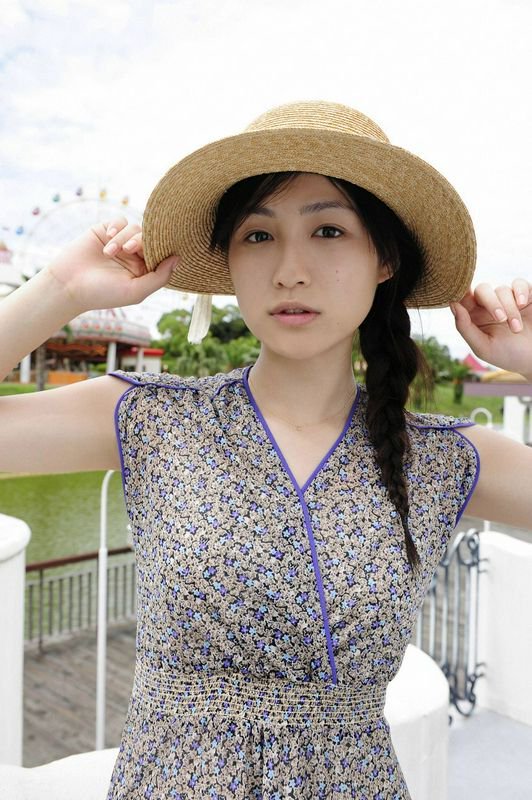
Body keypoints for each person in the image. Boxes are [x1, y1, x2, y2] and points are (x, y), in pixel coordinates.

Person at [1, 101, 531, 799]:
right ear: (228, 260)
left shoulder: (442, 459)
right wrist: (60, 289)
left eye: (328, 229)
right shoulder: (151, 418)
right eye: (258, 235)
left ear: (385, 260)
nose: (288, 270)